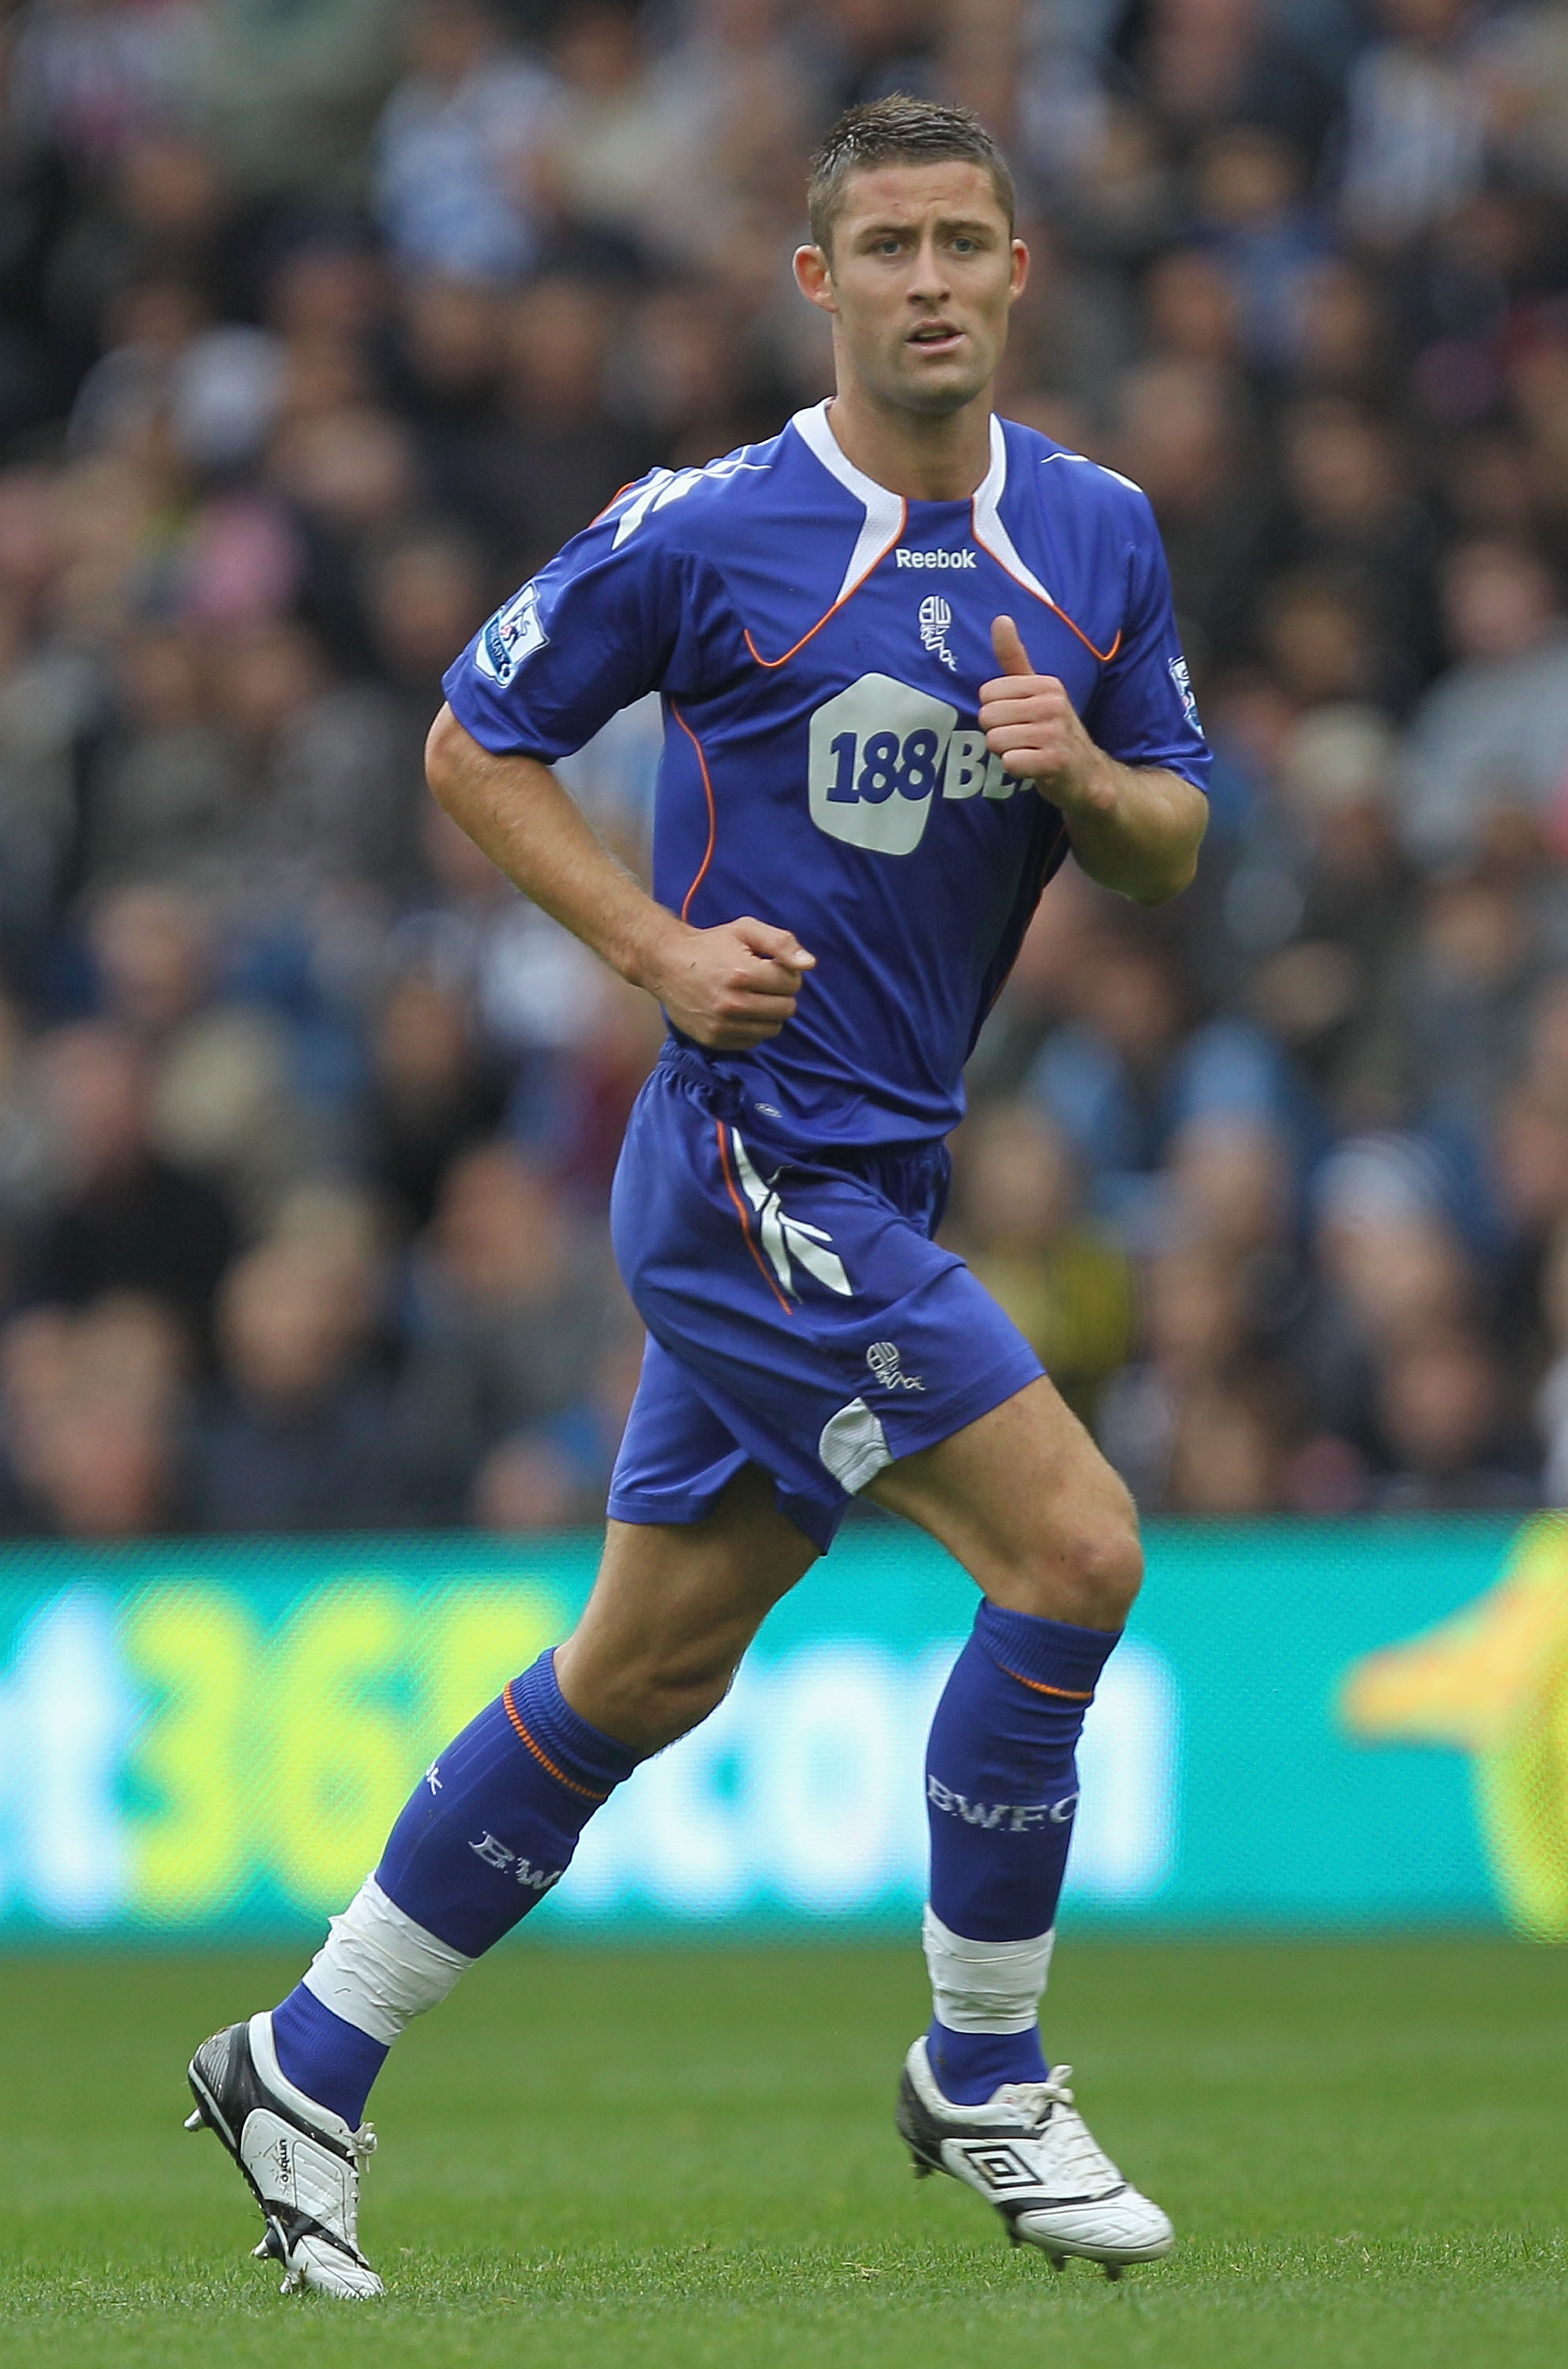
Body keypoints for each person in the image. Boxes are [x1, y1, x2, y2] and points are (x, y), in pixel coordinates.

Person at [183, 96, 1210, 2299]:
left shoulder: (1101, 536)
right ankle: (985, 2071)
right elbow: (474, 736)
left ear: (1020, 277)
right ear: (814, 283)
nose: (928, 276)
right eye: (888, 245)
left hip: (888, 1160)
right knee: (1073, 1548)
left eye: (963, 240)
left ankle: (306, 2053)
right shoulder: (712, 528)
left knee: (640, 1674)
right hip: (756, 1162)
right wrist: (650, 954)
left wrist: (1084, 774)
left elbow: (1171, 841)